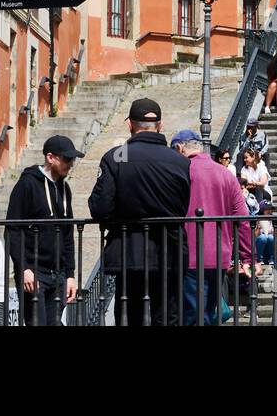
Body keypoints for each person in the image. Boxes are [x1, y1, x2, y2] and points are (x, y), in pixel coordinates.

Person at [88, 97, 192, 326]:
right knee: (167, 316)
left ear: (130, 124)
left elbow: (100, 208)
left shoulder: (117, 156)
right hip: (170, 250)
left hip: (129, 251)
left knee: (129, 316)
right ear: (160, 125)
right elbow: (183, 206)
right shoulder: (179, 161)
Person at [6, 134, 82, 326]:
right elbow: (13, 229)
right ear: (50, 157)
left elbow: (67, 235)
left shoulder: (65, 189)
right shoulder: (27, 184)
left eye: (72, 159)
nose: (71, 163)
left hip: (59, 274)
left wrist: (70, 274)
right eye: (67, 159)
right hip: (34, 272)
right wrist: (23, 268)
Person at [183, 131, 251, 326]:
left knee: (193, 316)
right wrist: (248, 256)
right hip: (219, 255)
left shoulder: (183, 171)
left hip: (190, 255)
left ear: (180, 148)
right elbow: (242, 218)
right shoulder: (226, 174)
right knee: (209, 312)